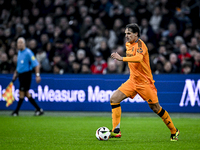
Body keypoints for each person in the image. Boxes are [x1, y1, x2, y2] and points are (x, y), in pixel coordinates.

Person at [110, 23, 180, 141]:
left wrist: (121, 58)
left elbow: (138, 58)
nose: (126, 36)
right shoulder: (128, 44)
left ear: (136, 34)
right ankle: (116, 130)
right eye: (125, 33)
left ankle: (174, 131)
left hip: (145, 83)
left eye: (129, 33)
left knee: (156, 108)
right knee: (114, 99)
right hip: (132, 81)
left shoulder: (141, 45)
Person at [11, 37, 44, 116]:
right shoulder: (19, 52)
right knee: (26, 94)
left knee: (21, 93)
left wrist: (37, 75)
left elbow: (36, 65)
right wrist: (15, 73)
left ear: (24, 44)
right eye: (18, 43)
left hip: (26, 75)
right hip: (21, 75)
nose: (19, 44)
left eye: (21, 42)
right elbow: (19, 65)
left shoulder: (28, 52)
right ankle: (39, 109)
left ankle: (16, 111)